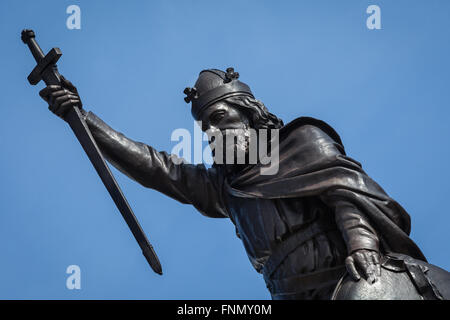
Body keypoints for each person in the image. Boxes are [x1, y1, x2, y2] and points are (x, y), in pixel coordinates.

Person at [39, 68, 427, 299]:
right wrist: (84, 120)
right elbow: (157, 167)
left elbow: (345, 193)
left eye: (220, 118)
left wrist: (362, 243)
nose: (211, 132)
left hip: (349, 279)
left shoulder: (302, 141)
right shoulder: (225, 187)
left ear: (249, 115)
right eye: (204, 127)